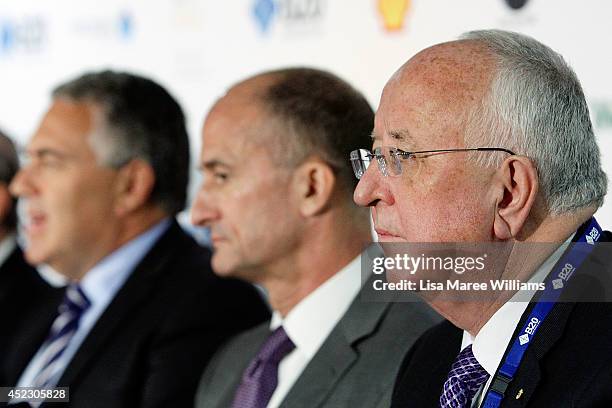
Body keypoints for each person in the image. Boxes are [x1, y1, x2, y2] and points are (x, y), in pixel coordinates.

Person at [351, 29, 612, 407]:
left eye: (400, 156)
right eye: (374, 153)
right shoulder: (429, 360)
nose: (365, 192)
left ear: (509, 193)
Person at [2, 70, 270, 407]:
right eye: (29, 160)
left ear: (130, 185)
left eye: (49, 161)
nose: (20, 185)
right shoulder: (45, 307)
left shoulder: (209, 304)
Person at [192, 68, 439, 408]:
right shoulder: (230, 363)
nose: (198, 213)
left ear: (312, 187)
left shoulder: (425, 352)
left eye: (221, 176)